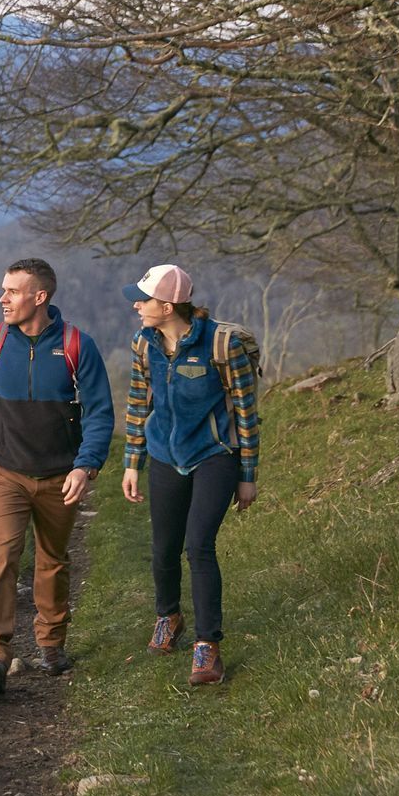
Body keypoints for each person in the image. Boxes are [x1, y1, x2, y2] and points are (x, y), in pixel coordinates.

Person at [0, 257, 114, 693]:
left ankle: (51, 644)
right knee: (2, 556)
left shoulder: (78, 345)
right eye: (3, 290)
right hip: (4, 471)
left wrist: (86, 464)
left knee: (52, 560)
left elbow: (100, 412)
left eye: (12, 291)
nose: (2, 299)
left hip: (61, 475)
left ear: (39, 297)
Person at [119, 264, 261, 686]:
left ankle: (207, 646)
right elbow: (138, 403)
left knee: (198, 546)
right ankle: (169, 617)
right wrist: (132, 460)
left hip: (214, 456)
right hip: (164, 455)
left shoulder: (222, 344)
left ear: (167, 305)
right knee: (163, 548)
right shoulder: (143, 344)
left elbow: (246, 411)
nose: (137, 305)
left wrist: (248, 472)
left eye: (143, 299)